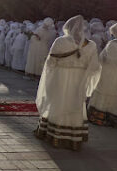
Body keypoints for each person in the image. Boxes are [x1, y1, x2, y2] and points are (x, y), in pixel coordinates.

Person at [34, 15, 101, 151]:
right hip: (79, 79)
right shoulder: (91, 45)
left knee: (59, 101)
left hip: (61, 77)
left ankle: (55, 133)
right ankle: (73, 136)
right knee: (75, 102)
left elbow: (51, 62)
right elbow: (94, 67)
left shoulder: (60, 41)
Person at [87, 23, 117, 128]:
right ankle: (116, 118)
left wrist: (102, 55)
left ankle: (100, 116)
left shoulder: (114, 43)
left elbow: (110, 60)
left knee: (105, 92)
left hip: (110, 72)